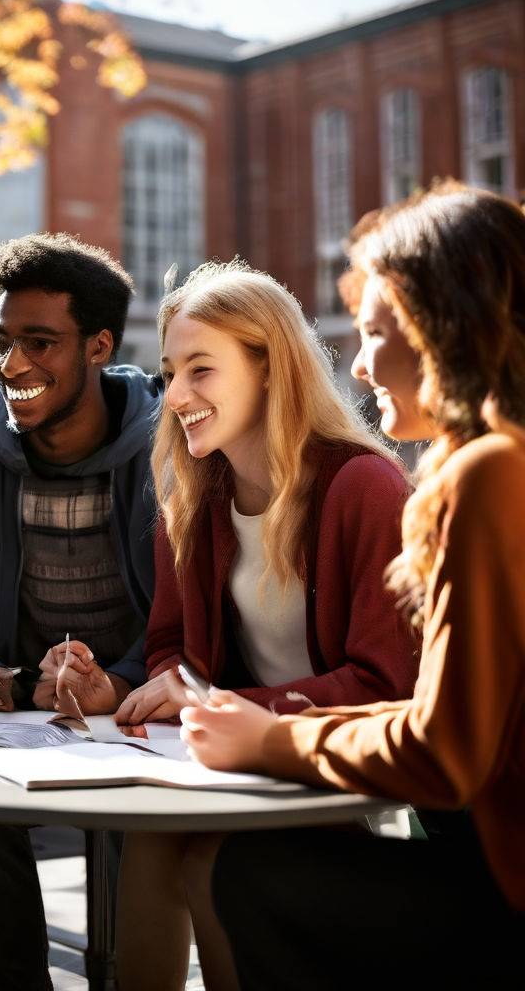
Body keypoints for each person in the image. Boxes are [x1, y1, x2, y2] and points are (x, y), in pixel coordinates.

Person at [184, 182, 525, 990]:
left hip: (506, 901)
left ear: (449, 327)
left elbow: (446, 756)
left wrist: (272, 739)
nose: (361, 362)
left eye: (378, 332)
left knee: (254, 875)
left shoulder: (487, 474)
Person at [112, 258, 420, 990]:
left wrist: (224, 708)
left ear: (269, 368)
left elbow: (391, 682)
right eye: (169, 372)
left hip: (332, 763)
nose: (175, 395)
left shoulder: (364, 487)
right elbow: (169, 649)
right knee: (149, 841)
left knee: (208, 858)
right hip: (238, 761)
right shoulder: (192, 500)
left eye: (200, 371)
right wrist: (158, 690)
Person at [0, 233, 161, 990]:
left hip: (140, 705)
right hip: (14, 716)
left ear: (98, 346)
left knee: (140, 829)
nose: (11, 364)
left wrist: (115, 684)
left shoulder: (171, 456)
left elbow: (193, 623)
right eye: (0, 342)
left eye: (39, 342)